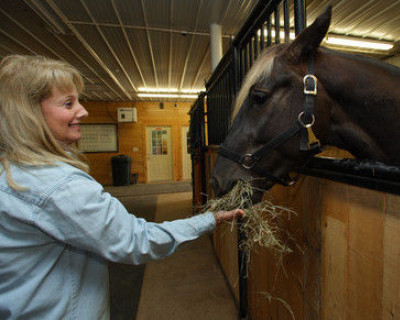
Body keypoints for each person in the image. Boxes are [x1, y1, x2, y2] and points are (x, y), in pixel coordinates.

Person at [0, 55, 244, 319]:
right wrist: (208, 220)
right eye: (68, 103)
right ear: (30, 114)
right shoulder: (58, 185)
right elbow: (136, 239)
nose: (83, 111)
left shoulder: (10, 173)